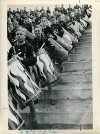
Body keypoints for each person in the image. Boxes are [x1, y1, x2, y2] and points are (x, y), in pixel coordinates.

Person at [8, 27, 38, 129]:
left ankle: (34, 121)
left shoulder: (29, 46)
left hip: (25, 76)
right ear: (15, 36)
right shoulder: (12, 48)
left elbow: (33, 60)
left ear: (25, 36)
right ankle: (17, 122)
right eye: (17, 34)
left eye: (21, 34)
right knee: (14, 100)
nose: (19, 36)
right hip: (14, 77)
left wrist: (21, 59)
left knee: (29, 99)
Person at [31, 25, 57, 105]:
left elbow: (53, 47)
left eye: (38, 31)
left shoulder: (45, 40)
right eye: (36, 31)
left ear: (41, 31)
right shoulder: (32, 42)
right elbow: (31, 53)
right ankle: (37, 98)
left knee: (49, 80)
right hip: (36, 62)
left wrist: (44, 49)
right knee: (36, 79)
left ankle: (51, 98)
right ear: (34, 32)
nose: (37, 32)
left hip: (45, 61)